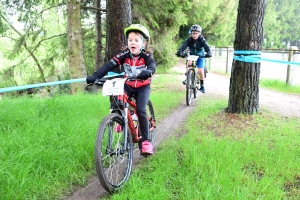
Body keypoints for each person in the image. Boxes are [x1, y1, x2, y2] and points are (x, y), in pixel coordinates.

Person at [86, 24, 156, 155]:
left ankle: (146, 141)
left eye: (136, 40)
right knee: (117, 98)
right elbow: (109, 65)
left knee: (140, 109)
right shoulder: (124, 54)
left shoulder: (146, 56)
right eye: (130, 40)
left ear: (144, 43)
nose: (132, 42)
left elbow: (152, 65)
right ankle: (121, 119)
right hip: (128, 84)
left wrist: (149, 71)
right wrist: (95, 76)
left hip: (143, 86)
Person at [176, 24, 212, 93]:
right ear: (191, 33)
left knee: (200, 70)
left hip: (200, 57)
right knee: (188, 63)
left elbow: (207, 47)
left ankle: (202, 86)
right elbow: (183, 46)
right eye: (193, 33)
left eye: (196, 33)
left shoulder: (201, 40)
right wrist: (179, 52)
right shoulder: (189, 40)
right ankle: (187, 78)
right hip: (192, 56)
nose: (194, 35)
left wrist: (209, 53)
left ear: (199, 33)